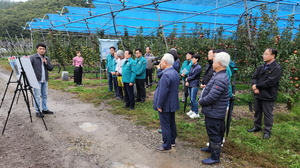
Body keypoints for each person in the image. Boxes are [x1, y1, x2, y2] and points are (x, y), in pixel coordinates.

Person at [198, 52, 230, 165]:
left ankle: (215, 157)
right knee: (212, 131)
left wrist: (201, 101)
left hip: (214, 111)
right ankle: (211, 148)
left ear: (219, 63)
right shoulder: (218, 75)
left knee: (215, 133)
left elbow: (212, 97)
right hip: (213, 110)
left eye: (214, 60)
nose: (212, 62)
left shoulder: (220, 78)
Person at [247, 48, 282, 139]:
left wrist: (257, 86)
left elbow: (270, 82)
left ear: (273, 56)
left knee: (267, 113)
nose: (264, 55)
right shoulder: (261, 67)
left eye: (266, 54)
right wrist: (254, 85)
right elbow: (254, 77)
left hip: (268, 94)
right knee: (257, 111)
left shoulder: (276, 68)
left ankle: (267, 131)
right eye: (264, 53)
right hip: (258, 93)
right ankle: (257, 127)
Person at [154, 53, 180, 152]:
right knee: (171, 122)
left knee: (165, 124)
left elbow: (163, 92)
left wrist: (159, 104)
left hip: (165, 104)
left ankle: (166, 145)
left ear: (165, 62)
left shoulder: (166, 75)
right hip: (172, 102)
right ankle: (172, 140)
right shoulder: (175, 72)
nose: (160, 63)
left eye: (161, 61)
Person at [30, 43, 54, 118]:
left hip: (45, 80)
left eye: (43, 49)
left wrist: (46, 63)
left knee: (45, 95)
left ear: (45, 50)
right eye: (40, 49)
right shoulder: (33, 57)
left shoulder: (46, 58)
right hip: (37, 79)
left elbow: (51, 68)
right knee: (37, 96)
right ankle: (38, 111)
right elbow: (29, 68)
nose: (42, 50)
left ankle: (45, 109)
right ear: (37, 49)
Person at [185, 54, 202, 119]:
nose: (192, 60)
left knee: (193, 98)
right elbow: (189, 74)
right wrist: (187, 81)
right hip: (190, 83)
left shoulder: (198, 67)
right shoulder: (192, 66)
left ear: (197, 59)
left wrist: (188, 79)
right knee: (190, 99)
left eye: (193, 58)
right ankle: (192, 110)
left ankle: (196, 112)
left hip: (194, 84)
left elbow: (194, 76)